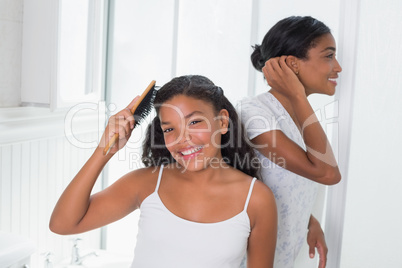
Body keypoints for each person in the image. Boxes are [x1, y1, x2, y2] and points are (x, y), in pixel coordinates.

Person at [49, 75, 278, 268]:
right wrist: (104, 150)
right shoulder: (147, 183)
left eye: (195, 122)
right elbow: (63, 224)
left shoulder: (257, 199)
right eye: (170, 128)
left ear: (222, 122)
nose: (183, 139)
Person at [238, 16, 342, 268]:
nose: (338, 67)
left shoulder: (298, 119)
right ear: (292, 64)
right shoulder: (254, 114)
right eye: (328, 56)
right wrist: (297, 93)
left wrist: (308, 220)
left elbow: (278, 185)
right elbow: (327, 173)